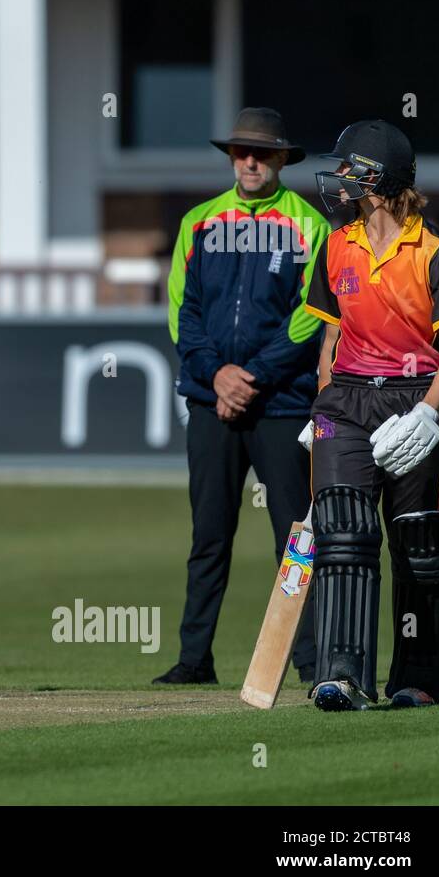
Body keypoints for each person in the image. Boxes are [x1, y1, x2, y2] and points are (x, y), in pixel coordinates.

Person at [158, 107, 330, 685]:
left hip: (280, 403)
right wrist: (217, 378)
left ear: (282, 158)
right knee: (208, 533)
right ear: (230, 158)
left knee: (295, 536)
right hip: (213, 403)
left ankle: (310, 660)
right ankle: (194, 660)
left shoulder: (309, 224)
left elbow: (310, 316)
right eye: (240, 152)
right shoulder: (199, 222)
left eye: (261, 153)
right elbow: (184, 313)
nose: (250, 161)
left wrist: (251, 375)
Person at [302, 119, 439, 711]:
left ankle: (417, 679)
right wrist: (321, 409)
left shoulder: (435, 253)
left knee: (417, 540)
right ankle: (343, 675)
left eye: (348, 171)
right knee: (342, 527)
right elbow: (329, 343)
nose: (338, 182)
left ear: (377, 178)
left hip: (414, 396)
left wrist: (427, 414)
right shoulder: (337, 244)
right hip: (345, 401)